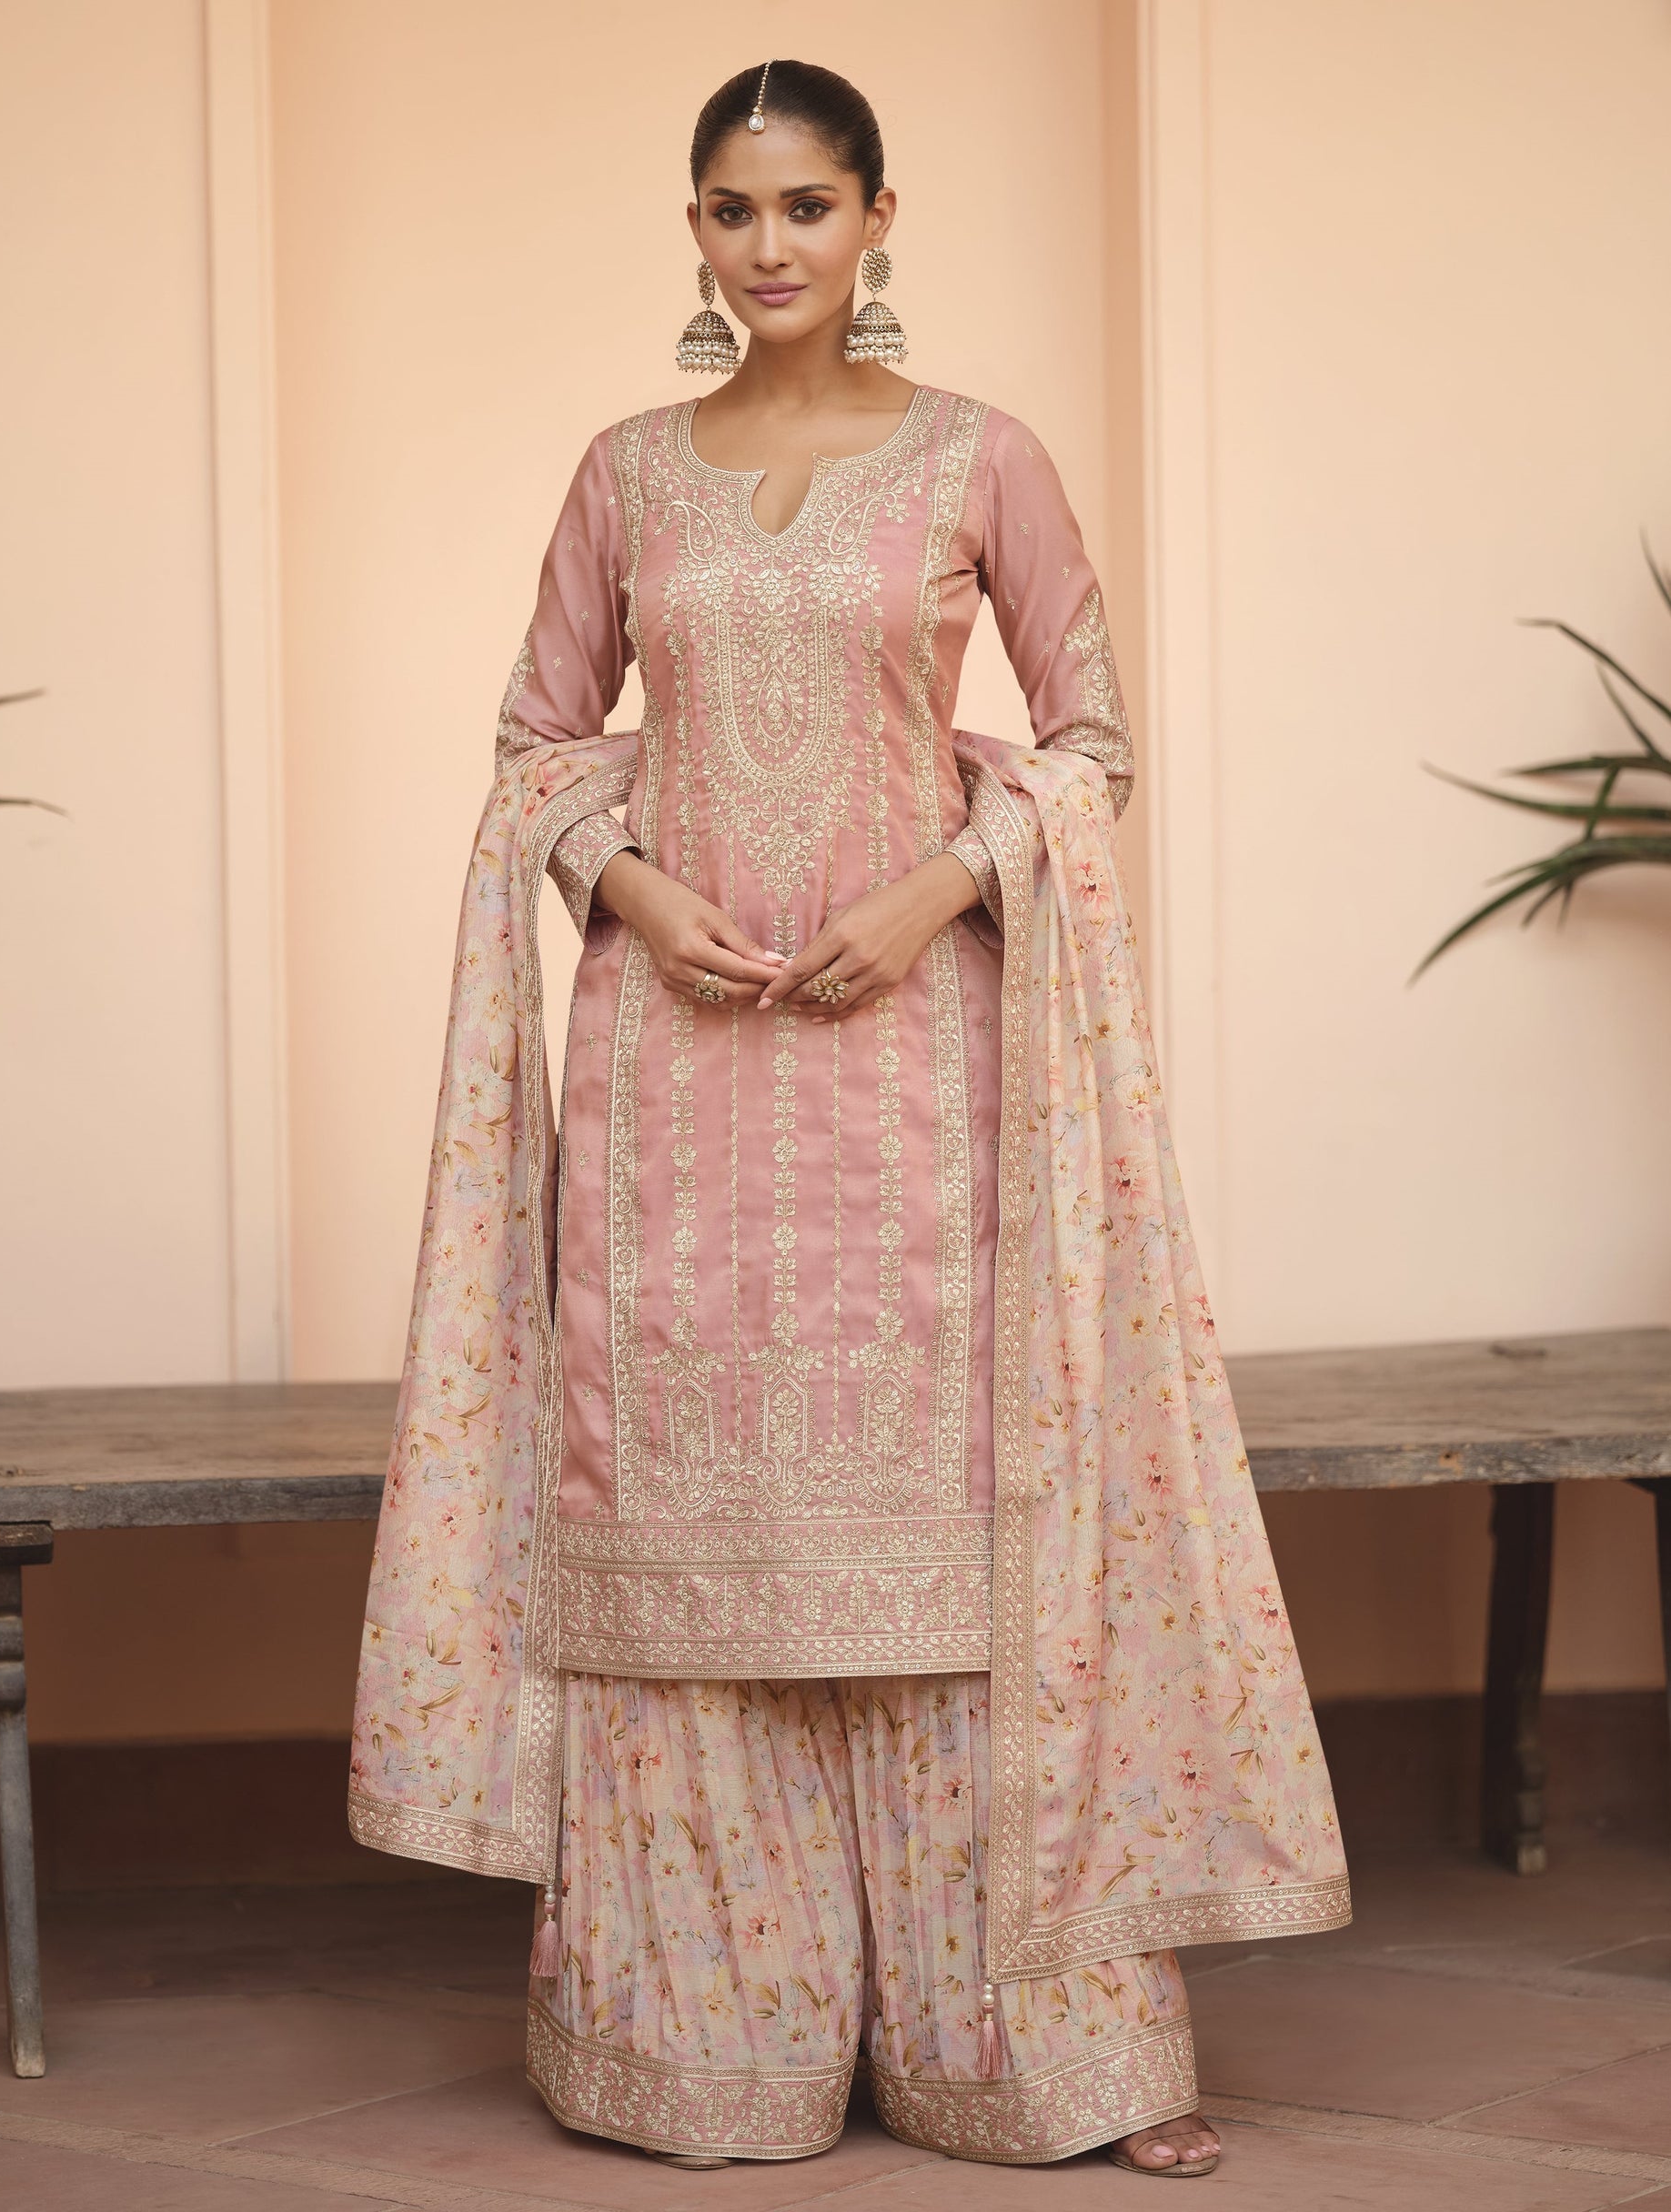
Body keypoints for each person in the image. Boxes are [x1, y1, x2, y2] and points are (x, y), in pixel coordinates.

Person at [348, 57, 1349, 2179]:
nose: (771, 245)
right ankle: (707, 2044)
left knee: (948, 1553)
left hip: (917, 1082)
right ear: (692, 234)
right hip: (672, 1088)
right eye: (732, 210)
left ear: (881, 217)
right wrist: (626, 885)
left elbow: (1089, 741)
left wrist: (933, 890)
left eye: (809, 206)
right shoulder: (624, 476)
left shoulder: (981, 459)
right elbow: (533, 745)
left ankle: (1027, 2057)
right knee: (687, 1546)